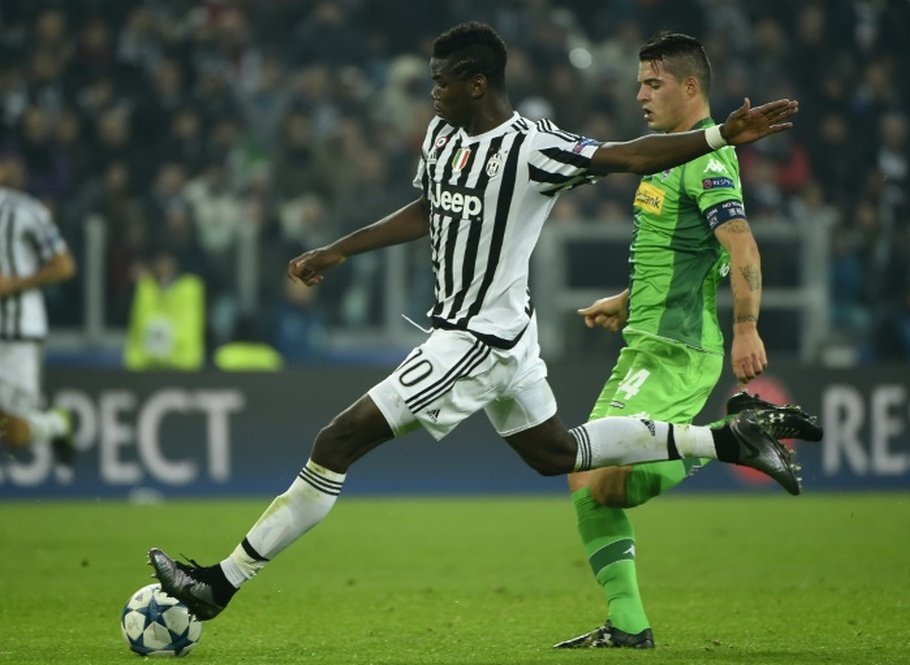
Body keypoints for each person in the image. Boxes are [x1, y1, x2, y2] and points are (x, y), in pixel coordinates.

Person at [148, 22, 805, 625]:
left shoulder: (532, 148)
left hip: (476, 342)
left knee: (337, 439)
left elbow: (627, 157)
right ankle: (727, 441)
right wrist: (341, 247)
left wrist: (721, 135)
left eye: (440, 81)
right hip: (504, 338)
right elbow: (430, 206)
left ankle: (221, 583)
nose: (430, 93)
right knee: (559, 454)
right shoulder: (442, 135)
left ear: (476, 83)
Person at [551, 32, 824, 650]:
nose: (640, 94)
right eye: (639, 82)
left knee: (602, 478)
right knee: (582, 475)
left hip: (677, 351)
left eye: (654, 83)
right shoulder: (671, 158)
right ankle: (627, 625)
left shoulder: (706, 162)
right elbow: (684, 253)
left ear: (690, 87)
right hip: (646, 341)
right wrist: (628, 302)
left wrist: (747, 328)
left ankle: (730, 439)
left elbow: (741, 245)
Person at [0, 157, 77, 475]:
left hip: (18, 332)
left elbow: (64, 265)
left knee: (14, 433)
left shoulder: (24, 211)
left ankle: (57, 423)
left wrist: (14, 284)